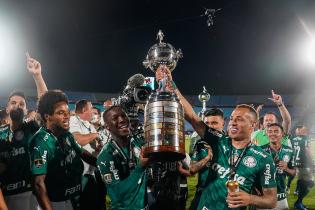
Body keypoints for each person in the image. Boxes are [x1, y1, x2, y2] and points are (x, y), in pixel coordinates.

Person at [155, 65, 277, 210]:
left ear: (253, 124)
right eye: (231, 118)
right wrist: (171, 84)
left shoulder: (263, 158)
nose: (232, 122)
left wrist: (250, 198)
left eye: (239, 119)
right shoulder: (217, 140)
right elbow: (193, 118)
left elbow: (271, 200)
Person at [29, 90, 97, 210]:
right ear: (47, 116)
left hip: (73, 198)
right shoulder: (41, 141)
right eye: (61, 113)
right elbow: (38, 184)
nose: (67, 116)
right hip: (55, 202)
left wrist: (102, 163)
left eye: (67, 112)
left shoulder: (66, 135)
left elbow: (83, 153)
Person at [0, 53, 47, 210]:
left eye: (22, 104)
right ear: (7, 108)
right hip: (6, 196)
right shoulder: (0, 134)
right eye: (13, 103)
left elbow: (45, 105)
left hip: (32, 194)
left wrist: (37, 76)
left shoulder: (31, 127)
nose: (17, 105)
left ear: (26, 110)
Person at [97, 105, 149, 209]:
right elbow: (117, 194)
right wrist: (140, 168)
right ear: (107, 126)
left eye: (123, 116)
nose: (121, 120)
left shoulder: (137, 142)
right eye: (115, 118)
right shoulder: (106, 156)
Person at [69, 100, 105, 210]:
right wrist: (95, 135)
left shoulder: (90, 125)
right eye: (91, 110)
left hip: (91, 172)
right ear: (84, 110)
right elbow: (77, 140)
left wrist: (98, 148)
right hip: (79, 174)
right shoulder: (73, 120)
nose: (93, 114)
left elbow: (92, 146)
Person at [189, 108, 225, 209]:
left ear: (223, 123)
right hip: (202, 193)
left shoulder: (231, 144)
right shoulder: (200, 144)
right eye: (207, 123)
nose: (210, 126)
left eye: (214, 123)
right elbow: (192, 169)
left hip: (222, 196)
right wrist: (207, 158)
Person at [259, 123, 296, 210]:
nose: (272, 134)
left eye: (276, 131)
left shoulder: (289, 151)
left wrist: (286, 168)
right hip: (262, 197)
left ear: (282, 134)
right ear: (267, 134)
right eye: (270, 131)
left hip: (281, 197)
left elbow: (293, 173)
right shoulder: (259, 150)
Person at [291, 124, 314, 210]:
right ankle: (298, 202)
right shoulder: (305, 139)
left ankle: (297, 192)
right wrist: (312, 162)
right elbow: (307, 151)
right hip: (304, 164)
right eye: (304, 129)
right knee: (311, 183)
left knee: (301, 181)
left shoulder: (293, 139)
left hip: (296, 163)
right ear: (300, 130)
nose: (306, 131)